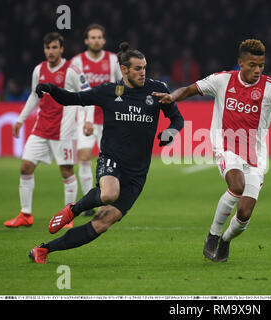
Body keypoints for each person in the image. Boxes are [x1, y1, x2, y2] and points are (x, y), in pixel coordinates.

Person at [28, 42, 184, 264]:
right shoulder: (109, 92)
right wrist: (52, 89)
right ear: (124, 70)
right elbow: (73, 99)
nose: (143, 72)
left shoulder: (157, 90)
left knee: (102, 223)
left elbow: (177, 119)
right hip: (112, 159)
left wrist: (170, 132)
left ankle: (43, 250)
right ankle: (73, 209)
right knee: (109, 193)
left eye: (144, 67)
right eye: (138, 68)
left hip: (137, 173)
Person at [153, 39, 271, 262]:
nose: (257, 70)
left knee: (244, 214)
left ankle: (225, 241)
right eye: (252, 64)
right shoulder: (222, 80)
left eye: (261, 65)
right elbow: (191, 89)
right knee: (237, 185)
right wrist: (173, 96)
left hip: (256, 156)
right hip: (226, 146)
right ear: (240, 63)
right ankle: (213, 235)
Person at [4, 32, 92, 229]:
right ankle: (25, 214)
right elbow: (35, 96)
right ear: (44, 50)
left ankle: (67, 216)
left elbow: (88, 95)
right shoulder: (39, 70)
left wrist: (88, 120)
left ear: (61, 49)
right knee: (25, 167)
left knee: (66, 171)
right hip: (41, 129)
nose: (50, 51)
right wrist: (20, 119)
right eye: (47, 48)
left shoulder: (72, 71)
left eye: (54, 47)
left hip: (64, 131)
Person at [70, 24, 122, 216]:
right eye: (93, 37)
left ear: (104, 40)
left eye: (99, 37)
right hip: (85, 117)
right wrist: (84, 117)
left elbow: (120, 84)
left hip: (108, 118)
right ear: (86, 40)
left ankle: (105, 198)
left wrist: (116, 100)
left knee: (109, 159)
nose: (96, 40)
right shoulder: (76, 62)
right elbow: (74, 90)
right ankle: (88, 203)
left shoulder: (112, 60)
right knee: (84, 156)